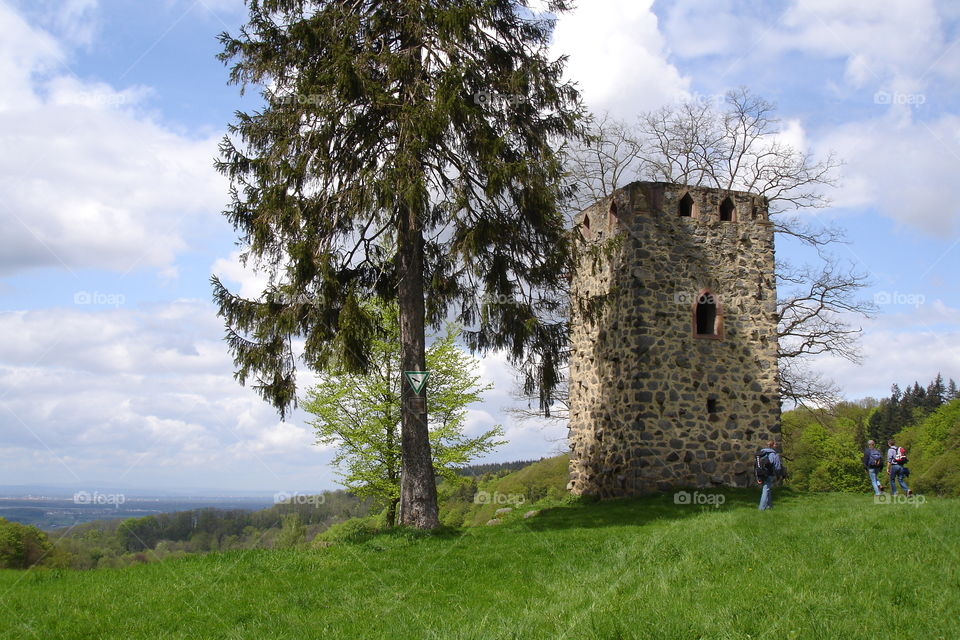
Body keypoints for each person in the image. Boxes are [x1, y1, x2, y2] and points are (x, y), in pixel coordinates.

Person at [756, 440, 784, 511]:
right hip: (769, 474)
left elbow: (756, 465)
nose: (776, 445)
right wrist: (778, 475)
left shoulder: (761, 453)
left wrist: (757, 476)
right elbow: (777, 466)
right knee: (766, 489)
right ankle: (761, 508)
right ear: (772, 445)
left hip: (761, 473)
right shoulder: (774, 454)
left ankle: (769, 506)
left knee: (767, 488)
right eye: (775, 444)